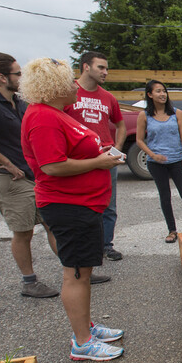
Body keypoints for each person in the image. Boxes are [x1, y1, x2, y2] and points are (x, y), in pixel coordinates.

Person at [20, 57, 126, 361]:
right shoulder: (43, 117)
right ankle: (82, 343)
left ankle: (86, 327)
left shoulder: (55, 114)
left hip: (82, 204)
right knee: (76, 273)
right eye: (68, 81)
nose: (74, 86)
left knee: (82, 270)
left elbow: (70, 151)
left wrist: (98, 150)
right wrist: (99, 162)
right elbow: (52, 166)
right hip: (69, 206)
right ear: (53, 87)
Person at [0, 52, 59, 298]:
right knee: (23, 231)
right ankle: (29, 282)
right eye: (18, 73)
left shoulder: (19, 102)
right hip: (10, 180)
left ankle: (76, 271)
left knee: (52, 223)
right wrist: (5, 162)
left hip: (30, 177)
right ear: (2, 77)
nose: (22, 76)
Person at [64, 51, 126, 261]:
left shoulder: (108, 97)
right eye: (101, 67)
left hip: (106, 159)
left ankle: (105, 245)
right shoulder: (68, 92)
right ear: (85, 67)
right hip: (79, 161)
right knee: (80, 206)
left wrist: (116, 149)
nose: (105, 72)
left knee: (108, 205)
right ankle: (84, 248)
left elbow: (120, 125)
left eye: (106, 68)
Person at [135, 80, 182, 242]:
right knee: (165, 196)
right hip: (156, 163)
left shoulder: (176, 113)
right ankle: (172, 231)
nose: (162, 94)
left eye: (164, 91)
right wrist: (152, 155)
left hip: (177, 160)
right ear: (150, 95)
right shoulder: (144, 115)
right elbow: (139, 140)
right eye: (158, 91)